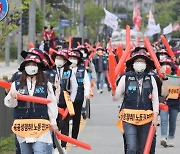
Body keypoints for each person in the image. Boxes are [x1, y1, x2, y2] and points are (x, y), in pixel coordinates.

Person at [4, 55, 58, 154]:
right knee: (25, 152)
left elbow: (52, 103)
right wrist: (12, 95)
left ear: (39, 67)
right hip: (23, 125)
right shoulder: (16, 84)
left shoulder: (46, 84)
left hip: (41, 124)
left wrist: (53, 122)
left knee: (39, 150)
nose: (31, 66)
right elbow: (10, 104)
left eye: (33, 64)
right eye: (28, 64)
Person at [112, 50, 159, 154]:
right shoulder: (126, 77)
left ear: (146, 64)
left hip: (146, 118)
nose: (139, 63)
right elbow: (116, 96)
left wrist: (155, 115)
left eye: (142, 61)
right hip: (129, 118)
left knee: (142, 149)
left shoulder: (151, 78)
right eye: (137, 61)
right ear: (132, 64)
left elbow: (155, 99)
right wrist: (114, 92)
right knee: (131, 148)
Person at [51, 49, 72, 153]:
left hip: (65, 102)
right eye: (57, 58)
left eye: (60, 58)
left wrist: (71, 101)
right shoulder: (51, 71)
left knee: (64, 124)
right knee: (54, 124)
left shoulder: (69, 72)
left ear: (65, 61)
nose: (58, 60)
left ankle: (63, 145)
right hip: (54, 103)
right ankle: (55, 145)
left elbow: (74, 87)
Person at [68, 49, 90, 141]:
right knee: (65, 120)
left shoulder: (82, 70)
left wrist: (87, 94)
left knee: (76, 119)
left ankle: (74, 138)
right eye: (71, 58)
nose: (72, 60)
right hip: (66, 98)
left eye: (74, 58)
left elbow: (86, 82)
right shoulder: (66, 69)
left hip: (78, 97)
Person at [159, 58, 180, 147]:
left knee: (172, 121)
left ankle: (171, 137)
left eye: (168, 65)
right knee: (163, 120)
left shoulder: (177, 77)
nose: (166, 66)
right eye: (163, 64)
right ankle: (164, 137)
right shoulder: (159, 78)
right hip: (164, 102)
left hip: (175, 103)